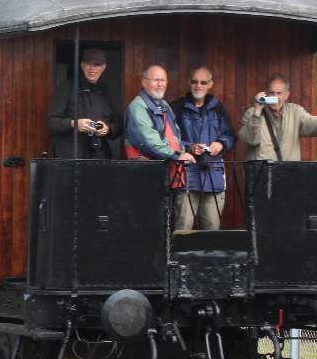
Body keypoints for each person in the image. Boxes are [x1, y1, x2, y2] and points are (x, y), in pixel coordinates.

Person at [125, 65, 196, 223]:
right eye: (156, 80)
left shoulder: (164, 106)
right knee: (150, 223)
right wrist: (177, 155)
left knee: (166, 223)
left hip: (167, 175)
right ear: (144, 82)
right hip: (148, 176)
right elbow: (148, 141)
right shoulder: (138, 107)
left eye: (163, 80)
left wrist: (187, 148)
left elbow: (174, 138)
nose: (161, 84)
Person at [170, 66, 236, 231]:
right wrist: (188, 147)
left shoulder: (217, 107)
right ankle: (180, 258)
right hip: (186, 177)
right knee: (182, 228)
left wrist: (221, 143)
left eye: (203, 82)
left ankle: (210, 258)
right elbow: (167, 140)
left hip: (213, 175)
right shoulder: (177, 107)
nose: (198, 86)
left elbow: (231, 135)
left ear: (210, 84)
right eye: (194, 82)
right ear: (189, 83)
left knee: (212, 228)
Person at [238, 75, 317, 161]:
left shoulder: (295, 111)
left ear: (287, 95)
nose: (275, 97)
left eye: (279, 93)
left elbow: (311, 124)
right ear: (266, 94)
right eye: (271, 93)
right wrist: (257, 112)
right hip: (261, 176)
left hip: (288, 174)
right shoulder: (252, 113)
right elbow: (251, 140)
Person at [45, 47, 122, 158]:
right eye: (88, 64)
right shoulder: (66, 87)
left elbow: (119, 124)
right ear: (82, 65)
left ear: (103, 67)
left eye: (97, 65)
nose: (92, 69)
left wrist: (108, 129)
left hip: (99, 154)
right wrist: (74, 124)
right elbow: (51, 122)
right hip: (70, 155)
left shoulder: (106, 90)